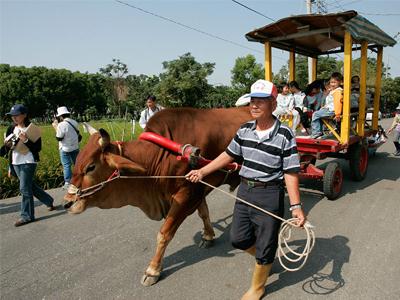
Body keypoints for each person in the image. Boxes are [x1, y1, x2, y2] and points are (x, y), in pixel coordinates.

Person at [186, 79, 306, 300]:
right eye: (252, 101)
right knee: (238, 239)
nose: (254, 105)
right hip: (245, 191)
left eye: (260, 101)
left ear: (272, 103)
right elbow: (228, 155)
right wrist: (203, 171)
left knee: (266, 242)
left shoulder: (285, 135)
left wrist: (296, 206)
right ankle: (266, 259)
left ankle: (258, 286)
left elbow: (290, 172)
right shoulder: (245, 129)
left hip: (270, 193)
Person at [0, 104, 55, 227]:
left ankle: (27, 216)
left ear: (24, 115)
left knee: (24, 188)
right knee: (30, 186)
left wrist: (25, 140)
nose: (14, 118)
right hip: (15, 162)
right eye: (12, 116)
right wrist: (7, 147)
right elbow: (7, 150)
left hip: (28, 162)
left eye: (16, 115)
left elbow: (38, 148)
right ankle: (48, 200)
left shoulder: (32, 129)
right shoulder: (10, 129)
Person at [52, 106, 80, 189]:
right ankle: (79, 179)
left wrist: (56, 127)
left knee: (66, 165)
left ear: (60, 116)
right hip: (75, 147)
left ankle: (68, 182)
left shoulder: (61, 125)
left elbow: (59, 138)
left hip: (65, 148)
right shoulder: (74, 122)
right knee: (77, 164)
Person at [310, 72, 343, 139]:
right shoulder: (335, 91)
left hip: (332, 111)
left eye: (334, 82)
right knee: (318, 113)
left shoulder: (337, 92)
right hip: (330, 109)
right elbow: (331, 102)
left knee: (315, 114)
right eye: (331, 82)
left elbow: (338, 103)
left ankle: (316, 132)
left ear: (340, 82)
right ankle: (320, 132)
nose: (332, 84)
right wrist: (325, 106)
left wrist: (337, 114)